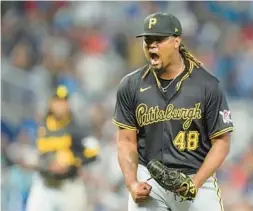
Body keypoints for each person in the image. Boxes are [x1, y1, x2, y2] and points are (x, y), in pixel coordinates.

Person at [113, 12, 234, 211]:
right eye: (148, 40)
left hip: (196, 176)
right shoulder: (131, 85)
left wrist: (194, 184)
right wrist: (131, 183)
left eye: (159, 40)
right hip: (150, 180)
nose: (152, 45)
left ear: (176, 41)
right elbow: (126, 140)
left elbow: (221, 142)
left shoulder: (207, 85)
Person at [26, 85, 99, 211]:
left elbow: (94, 152)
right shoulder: (43, 125)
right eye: (57, 101)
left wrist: (72, 162)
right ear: (51, 103)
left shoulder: (76, 127)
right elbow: (38, 153)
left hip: (68, 186)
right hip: (44, 185)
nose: (60, 105)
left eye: (64, 102)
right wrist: (46, 164)